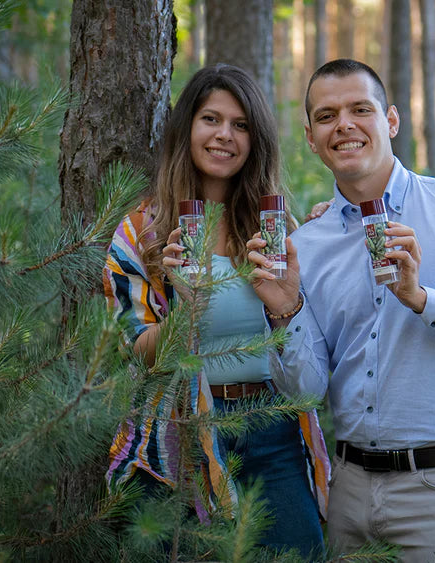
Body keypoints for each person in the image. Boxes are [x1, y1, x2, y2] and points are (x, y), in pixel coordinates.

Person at [247, 59, 435, 562]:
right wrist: (285, 313)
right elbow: (307, 391)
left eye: (361, 109)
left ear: (392, 121)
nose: (344, 124)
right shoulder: (305, 246)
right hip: (350, 493)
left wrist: (423, 300)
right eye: (326, 116)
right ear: (312, 138)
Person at [103, 64, 329, 560]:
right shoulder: (143, 231)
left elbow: (305, 335)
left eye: (241, 125)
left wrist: (291, 300)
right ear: (187, 128)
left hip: (270, 428)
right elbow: (133, 349)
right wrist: (183, 310)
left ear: (256, 140)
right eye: (211, 119)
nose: (225, 135)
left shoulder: (275, 227)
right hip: (178, 433)